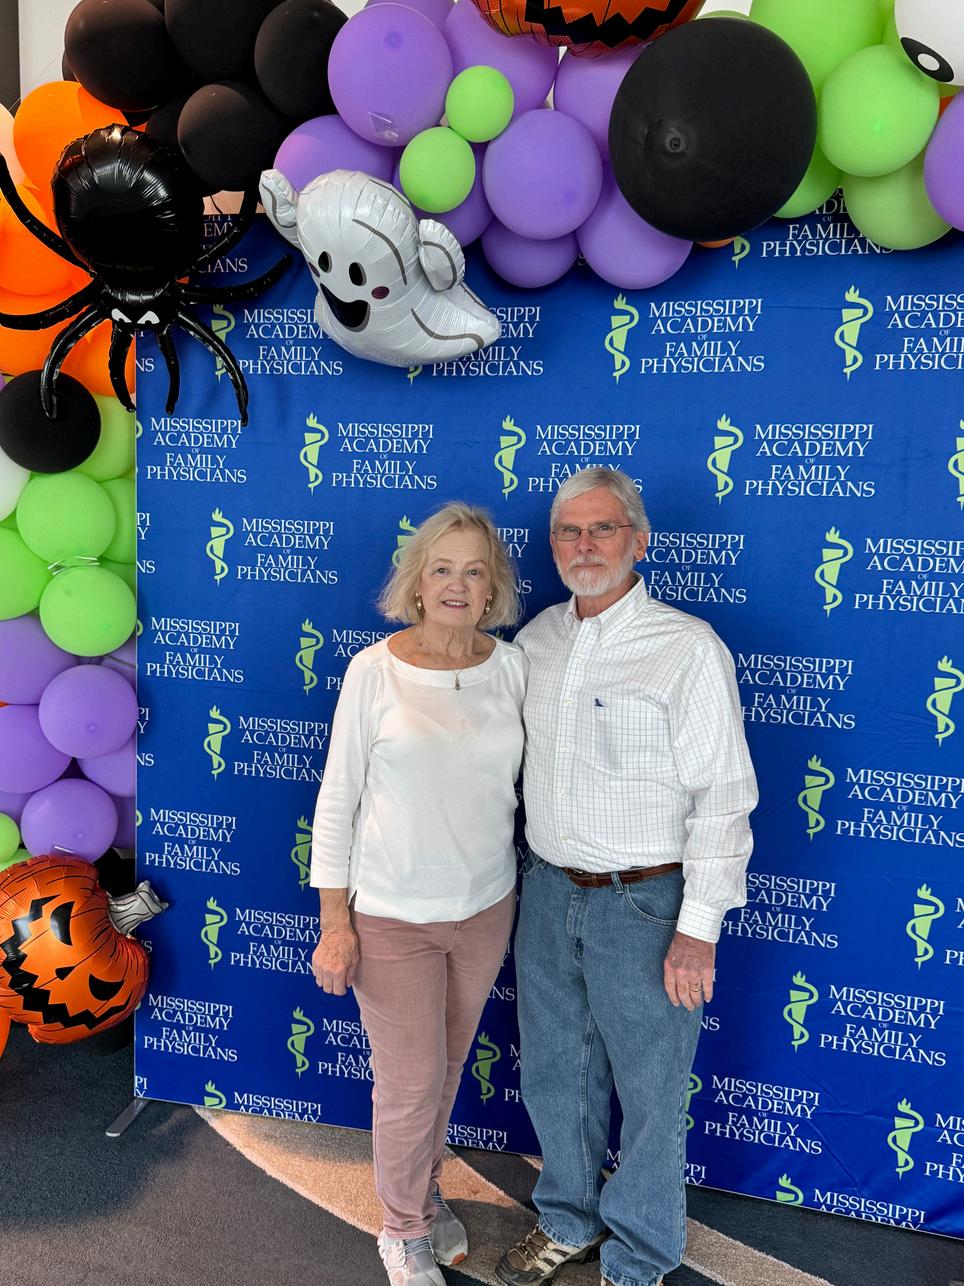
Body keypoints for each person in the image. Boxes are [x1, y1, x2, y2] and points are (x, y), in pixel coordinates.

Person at [497, 468, 757, 1286]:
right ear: (552, 545)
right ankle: (567, 1221)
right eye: (568, 532)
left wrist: (698, 930)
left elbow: (723, 797)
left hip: (646, 904)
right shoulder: (534, 641)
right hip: (547, 891)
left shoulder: (687, 649)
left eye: (602, 529)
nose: (584, 546)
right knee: (555, 1074)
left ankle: (641, 1255)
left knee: (650, 1092)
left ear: (639, 541)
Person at [310, 502, 527, 1286]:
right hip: (393, 918)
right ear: (418, 581)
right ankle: (401, 1231)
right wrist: (335, 923)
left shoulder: (512, 668)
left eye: (474, 571)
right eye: (442, 569)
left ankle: (424, 1197)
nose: (457, 585)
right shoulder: (375, 671)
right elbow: (337, 801)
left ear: (493, 585)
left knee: (445, 1070)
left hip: (485, 909)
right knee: (408, 1086)